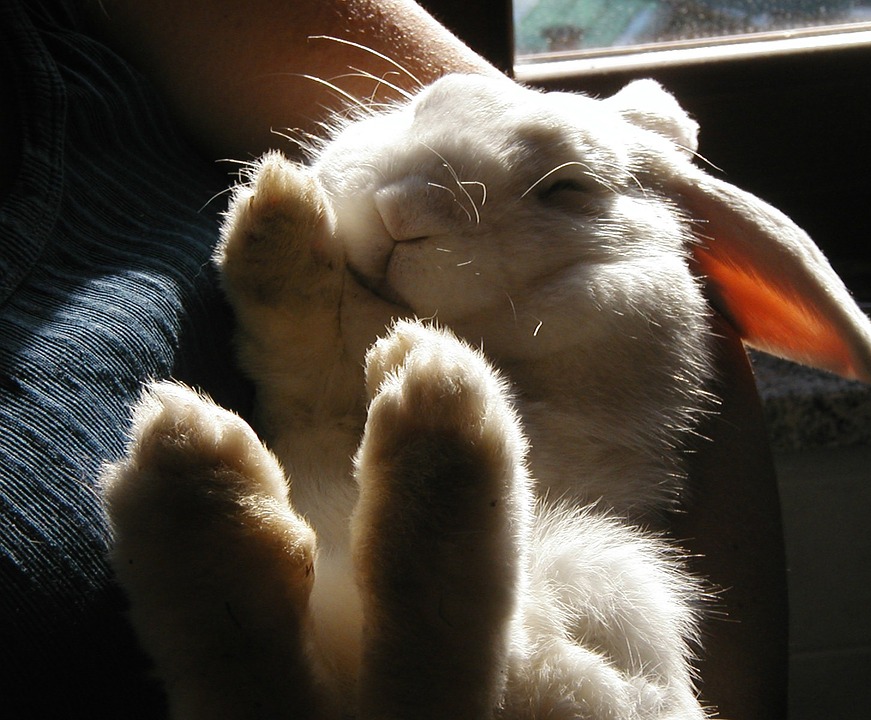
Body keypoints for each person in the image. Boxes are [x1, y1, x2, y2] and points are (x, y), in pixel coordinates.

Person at [0, 0, 785, 716]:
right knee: (320, 460)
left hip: (549, 526)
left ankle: (418, 638)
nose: (402, 211)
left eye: (563, 191)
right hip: (351, 502)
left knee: (611, 594)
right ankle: (378, 638)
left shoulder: (626, 269)